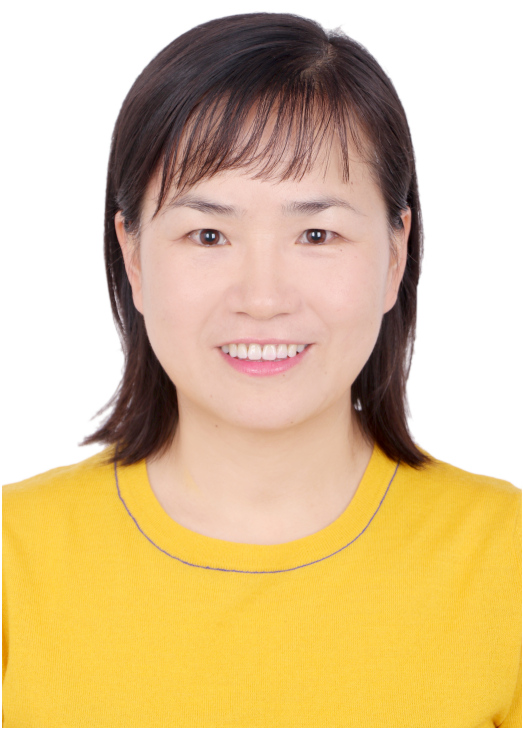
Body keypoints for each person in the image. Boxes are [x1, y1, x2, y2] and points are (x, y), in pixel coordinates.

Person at [2, 12, 520, 728]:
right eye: (208, 234)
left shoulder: (506, 558)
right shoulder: (14, 555)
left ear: (395, 254)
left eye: (317, 233)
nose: (264, 298)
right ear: (133, 256)